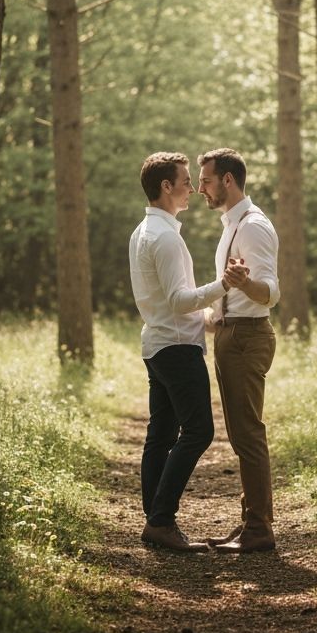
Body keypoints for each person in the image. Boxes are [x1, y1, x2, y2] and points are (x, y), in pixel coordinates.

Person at [129, 152, 247, 552]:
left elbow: (165, 301)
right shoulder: (165, 237)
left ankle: (156, 522)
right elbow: (180, 301)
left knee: (160, 435)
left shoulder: (142, 232)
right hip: (176, 349)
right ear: (166, 187)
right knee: (198, 432)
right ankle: (160, 520)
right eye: (184, 181)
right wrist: (224, 284)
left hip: (158, 343)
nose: (192, 189)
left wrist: (207, 321)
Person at [196, 148, 280, 553]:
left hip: (248, 338)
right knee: (241, 433)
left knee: (248, 434)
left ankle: (260, 530)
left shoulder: (252, 227)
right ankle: (251, 521)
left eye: (206, 181)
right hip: (233, 335)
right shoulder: (233, 224)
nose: (200, 189)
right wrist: (209, 319)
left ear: (228, 180)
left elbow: (269, 294)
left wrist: (244, 284)